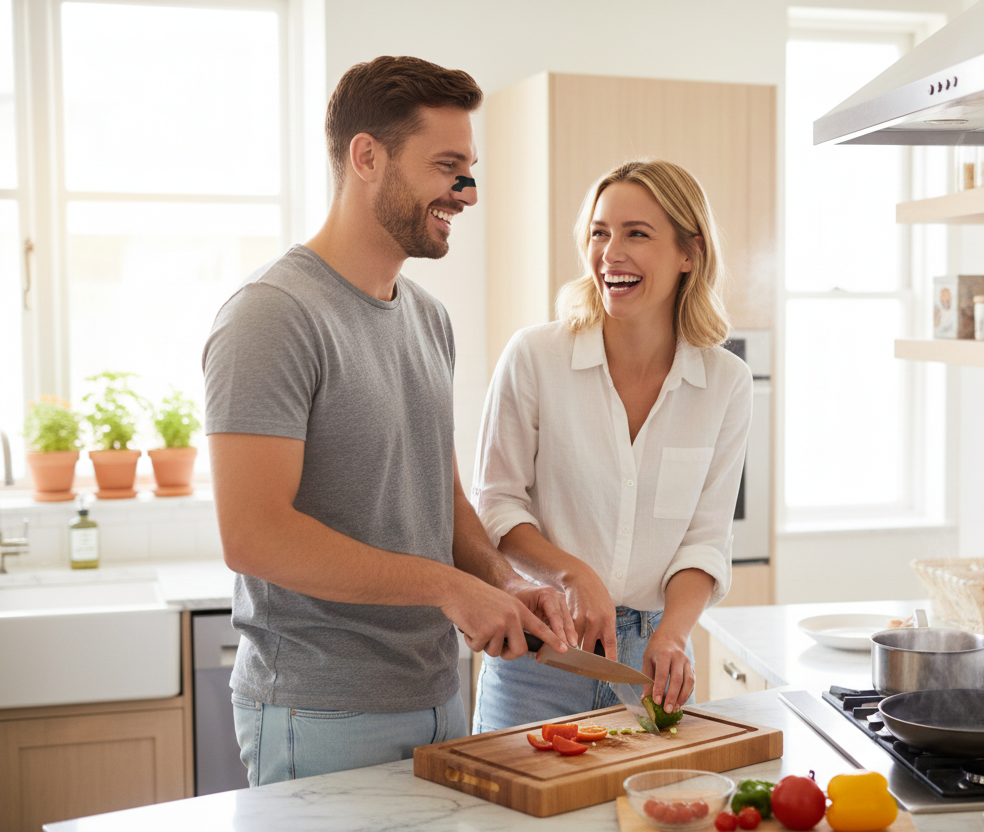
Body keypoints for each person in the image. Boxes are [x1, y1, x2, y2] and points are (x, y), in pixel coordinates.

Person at [202, 55, 576, 786]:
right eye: (446, 166)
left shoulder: (428, 319)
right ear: (366, 157)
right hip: (321, 713)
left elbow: (438, 494)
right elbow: (253, 536)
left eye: (468, 168)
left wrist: (495, 582)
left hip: (438, 699)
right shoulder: (273, 317)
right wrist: (446, 588)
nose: (465, 192)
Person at [470, 159, 752, 732]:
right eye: (599, 232)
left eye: (636, 234)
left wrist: (674, 631)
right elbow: (496, 505)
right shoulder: (535, 358)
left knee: (640, 816)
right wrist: (574, 575)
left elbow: (705, 538)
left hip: (655, 662)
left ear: (688, 253)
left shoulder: (725, 383)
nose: (610, 252)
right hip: (544, 651)